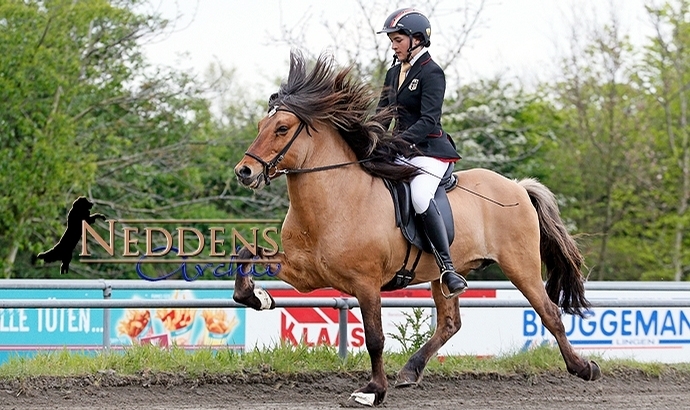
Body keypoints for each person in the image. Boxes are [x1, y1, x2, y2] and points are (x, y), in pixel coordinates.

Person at [376, 8, 467, 298]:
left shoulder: (431, 72)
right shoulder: (393, 72)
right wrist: (369, 139)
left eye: (398, 39)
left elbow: (429, 120)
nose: (393, 44)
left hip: (430, 151)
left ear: (416, 39)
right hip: (400, 149)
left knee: (419, 196)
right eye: (392, 39)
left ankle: (447, 267)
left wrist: (398, 141)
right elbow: (381, 114)